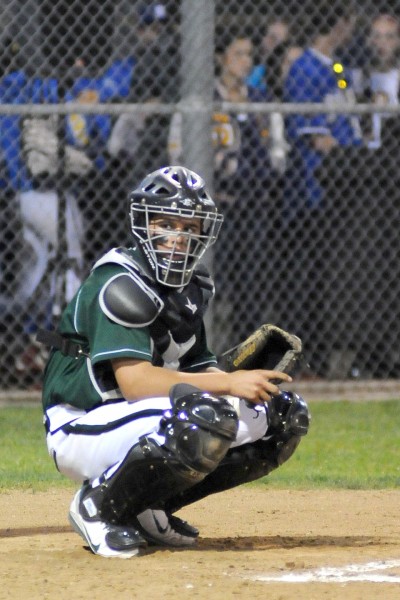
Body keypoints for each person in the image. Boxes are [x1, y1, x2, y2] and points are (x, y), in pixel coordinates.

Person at [39, 165, 310, 558]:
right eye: (166, 224)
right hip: (82, 423)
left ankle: (148, 508)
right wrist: (227, 384)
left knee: (281, 418)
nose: (177, 238)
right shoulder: (121, 283)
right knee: (202, 417)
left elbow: (197, 369)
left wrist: (242, 378)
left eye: (188, 227)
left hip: (135, 415)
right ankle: (97, 506)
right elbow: (135, 382)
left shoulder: (190, 287)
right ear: (144, 225)